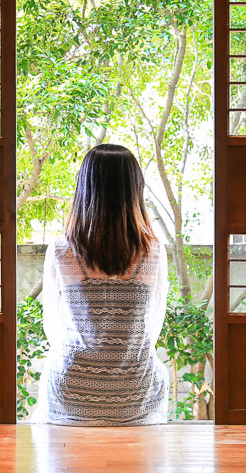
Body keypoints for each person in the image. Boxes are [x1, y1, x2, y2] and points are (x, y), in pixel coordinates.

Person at [31, 144, 170, 426]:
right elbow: (153, 324)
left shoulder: (61, 249)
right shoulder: (154, 251)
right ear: (134, 189)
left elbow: (53, 326)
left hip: (71, 394)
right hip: (136, 396)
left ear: (85, 187)